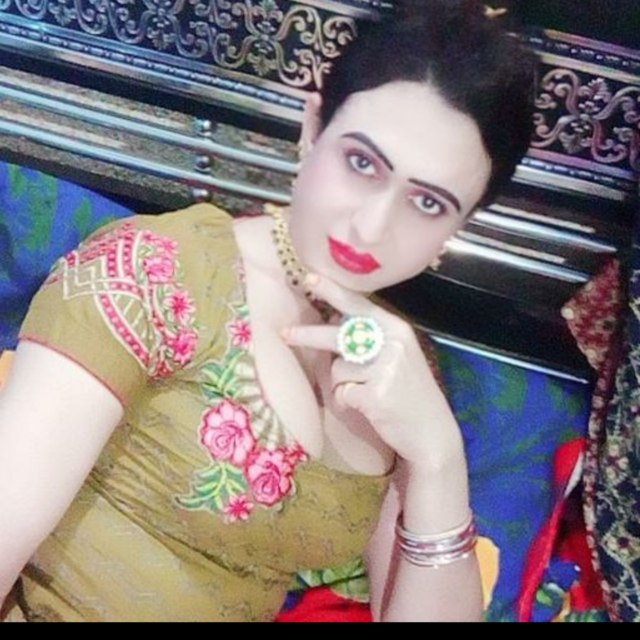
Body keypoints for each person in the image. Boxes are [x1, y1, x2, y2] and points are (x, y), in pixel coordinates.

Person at [0, 0, 535, 622]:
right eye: (362, 163)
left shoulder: (397, 368)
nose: (372, 225)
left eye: (428, 203)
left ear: (459, 227)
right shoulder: (154, 272)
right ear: (312, 129)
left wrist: (438, 458)